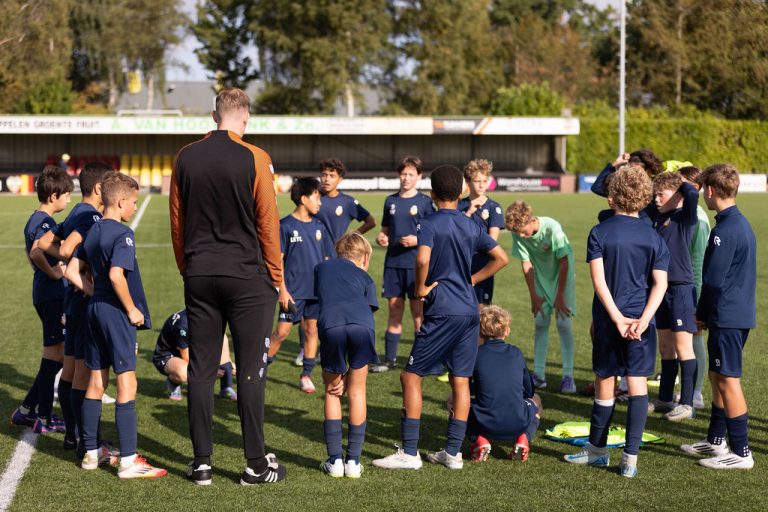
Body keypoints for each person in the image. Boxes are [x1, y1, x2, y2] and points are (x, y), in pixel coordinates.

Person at [170, 87, 286, 485]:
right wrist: (276, 277)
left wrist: (188, 268)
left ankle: (201, 462)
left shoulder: (185, 156)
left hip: (200, 273)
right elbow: (268, 224)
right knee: (250, 368)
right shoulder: (256, 157)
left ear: (214, 114)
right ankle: (255, 463)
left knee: (201, 369)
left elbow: (177, 221)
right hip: (247, 277)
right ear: (245, 118)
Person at [372, 165, 508, 471]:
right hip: (469, 311)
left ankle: (409, 453)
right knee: (461, 381)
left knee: (410, 376)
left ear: (432, 194)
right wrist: (472, 280)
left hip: (442, 310)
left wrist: (420, 288)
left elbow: (422, 258)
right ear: (461, 192)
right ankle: (453, 453)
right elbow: (502, 258)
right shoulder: (471, 224)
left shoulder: (429, 222)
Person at [564, 165, 669, 479]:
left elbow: (599, 282)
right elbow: (660, 285)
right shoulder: (654, 235)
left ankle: (597, 452)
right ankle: (630, 460)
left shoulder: (599, 232)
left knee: (605, 383)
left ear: (612, 197)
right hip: (641, 323)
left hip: (610, 321)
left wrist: (617, 319)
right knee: (637, 387)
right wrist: (641, 320)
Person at [79, 173, 166, 478]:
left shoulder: (92, 230)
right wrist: (132, 311)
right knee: (127, 382)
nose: (134, 208)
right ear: (120, 201)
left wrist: (95, 294)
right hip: (116, 312)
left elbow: (73, 271)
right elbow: (117, 275)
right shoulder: (122, 234)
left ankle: (90, 453)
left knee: (96, 381)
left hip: (93, 309)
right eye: (133, 203)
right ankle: (128, 460)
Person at [681, 164, 756, 470]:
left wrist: (700, 313)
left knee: (728, 380)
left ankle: (741, 452)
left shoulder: (725, 230)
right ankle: (715, 440)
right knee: (717, 376)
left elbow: (712, 280)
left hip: (727, 316)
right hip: (732, 314)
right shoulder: (737, 222)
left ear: (710, 191)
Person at [38, 161, 114, 453]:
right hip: (82, 303)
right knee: (83, 374)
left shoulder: (76, 212)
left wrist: (67, 258)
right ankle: (85, 439)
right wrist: (74, 263)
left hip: (71, 301)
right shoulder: (89, 216)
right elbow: (67, 248)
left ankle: (72, 435)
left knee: (69, 371)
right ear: (99, 189)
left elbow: (45, 241)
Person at [10, 166, 73, 434]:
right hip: (52, 294)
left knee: (57, 356)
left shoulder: (34, 219)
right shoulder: (44, 223)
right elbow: (37, 252)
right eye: (67, 195)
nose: (69, 199)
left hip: (46, 292)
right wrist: (54, 273)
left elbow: (31, 254)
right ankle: (43, 417)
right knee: (54, 355)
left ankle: (27, 409)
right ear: (54, 196)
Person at [314, 233, 378, 478]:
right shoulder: (365, 276)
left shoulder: (322, 268)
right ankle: (353, 462)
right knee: (357, 391)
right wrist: (351, 372)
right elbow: (367, 310)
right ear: (364, 258)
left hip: (331, 325)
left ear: (339, 252)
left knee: (332, 391)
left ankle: (335, 462)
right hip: (363, 326)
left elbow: (319, 299)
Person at [266, 177, 334, 393]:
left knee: (312, 331)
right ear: (304, 199)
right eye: (317, 197)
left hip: (316, 292)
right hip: (293, 293)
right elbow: (277, 262)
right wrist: (282, 291)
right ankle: (260, 370)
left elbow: (327, 260)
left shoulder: (319, 226)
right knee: (281, 333)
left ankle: (306, 375)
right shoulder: (285, 226)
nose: (320, 202)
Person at [371, 156, 435, 373]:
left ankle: (420, 359)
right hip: (393, 265)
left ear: (419, 176)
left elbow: (435, 233)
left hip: (417, 266)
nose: (406, 178)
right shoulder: (390, 201)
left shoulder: (426, 203)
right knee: (394, 311)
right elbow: (385, 231)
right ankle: (390, 360)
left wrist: (417, 240)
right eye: (403, 174)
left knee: (418, 314)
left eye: (411, 174)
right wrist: (382, 237)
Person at [506, 201, 577, 394]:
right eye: (516, 232)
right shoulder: (517, 232)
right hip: (541, 277)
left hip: (563, 277)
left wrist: (560, 296)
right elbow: (526, 264)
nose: (520, 236)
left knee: (563, 324)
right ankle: (539, 375)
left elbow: (564, 262)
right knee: (540, 322)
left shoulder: (551, 228)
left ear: (530, 219)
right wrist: (533, 296)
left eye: (523, 231)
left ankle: (568, 377)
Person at [646, 171, 700, 421]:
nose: (656, 199)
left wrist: (682, 184)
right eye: (655, 194)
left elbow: (692, 193)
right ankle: (666, 398)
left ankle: (687, 403)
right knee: (666, 348)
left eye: (661, 194)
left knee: (683, 347)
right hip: (659, 288)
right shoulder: (655, 217)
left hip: (680, 287)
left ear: (676, 196)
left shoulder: (684, 217)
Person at [466, 305, 542, 463]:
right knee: (537, 400)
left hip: (484, 422)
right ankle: (524, 437)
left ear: (480, 332)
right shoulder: (516, 353)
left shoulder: (475, 354)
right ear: (506, 331)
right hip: (518, 421)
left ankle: (478, 439)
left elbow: (464, 389)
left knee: (454, 399)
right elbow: (528, 391)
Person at [152, 309, 237, 401]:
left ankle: (226, 387)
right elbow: (187, 357)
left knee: (222, 338)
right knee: (183, 372)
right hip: (169, 356)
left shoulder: (211, 316)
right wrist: (210, 370)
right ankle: (173, 382)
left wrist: (228, 365)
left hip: (195, 350)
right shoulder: (183, 324)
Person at [679, 166, 711, 409]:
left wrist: (698, 302)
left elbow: (698, 262)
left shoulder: (698, 220)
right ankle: (689, 389)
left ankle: (697, 392)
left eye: (681, 184)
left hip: (693, 288)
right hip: (686, 286)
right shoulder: (690, 214)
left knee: (695, 338)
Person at [458, 159, 505, 306]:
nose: (481, 185)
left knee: (481, 312)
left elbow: (492, 241)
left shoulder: (493, 207)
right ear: (467, 181)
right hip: (460, 265)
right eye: (477, 181)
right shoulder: (459, 205)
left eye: (484, 181)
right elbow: (453, 233)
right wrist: (469, 213)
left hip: (483, 267)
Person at [316, 157, 376, 242]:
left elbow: (371, 222)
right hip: (313, 252)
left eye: (332, 176)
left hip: (336, 253)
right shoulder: (312, 198)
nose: (327, 179)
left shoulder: (348, 202)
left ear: (340, 179)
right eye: (324, 175)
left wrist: (350, 237)